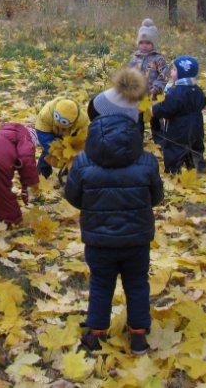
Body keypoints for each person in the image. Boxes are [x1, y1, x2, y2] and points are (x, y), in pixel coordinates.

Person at [64, 95, 163, 356]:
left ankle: (96, 333)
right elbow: (156, 197)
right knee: (137, 284)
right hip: (137, 240)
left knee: (101, 284)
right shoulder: (147, 161)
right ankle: (139, 334)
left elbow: (73, 197)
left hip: (99, 242)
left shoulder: (83, 162)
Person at [0, 123, 39, 227]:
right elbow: (26, 160)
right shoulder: (26, 138)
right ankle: (12, 221)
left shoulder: (5, 132)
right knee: (2, 193)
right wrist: (30, 183)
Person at [151, 55, 206, 173]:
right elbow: (203, 102)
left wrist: (154, 110)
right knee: (196, 148)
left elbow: (167, 107)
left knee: (174, 149)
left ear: (182, 74)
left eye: (175, 69)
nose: (171, 71)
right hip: (197, 128)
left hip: (178, 129)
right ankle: (197, 167)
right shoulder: (197, 90)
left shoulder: (177, 92)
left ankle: (173, 170)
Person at [127, 18, 169, 142]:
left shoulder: (158, 59)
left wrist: (156, 87)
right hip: (138, 96)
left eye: (148, 43)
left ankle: (160, 141)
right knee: (138, 119)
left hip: (153, 96)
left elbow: (164, 75)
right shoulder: (135, 58)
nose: (144, 45)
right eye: (142, 42)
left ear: (153, 44)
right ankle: (137, 140)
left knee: (155, 119)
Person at [34, 97, 89, 178]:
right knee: (48, 151)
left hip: (69, 133)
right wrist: (54, 146)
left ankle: (67, 172)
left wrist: (72, 147)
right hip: (47, 131)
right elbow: (42, 132)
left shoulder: (82, 120)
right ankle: (42, 172)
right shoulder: (46, 113)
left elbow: (82, 136)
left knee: (71, 153)